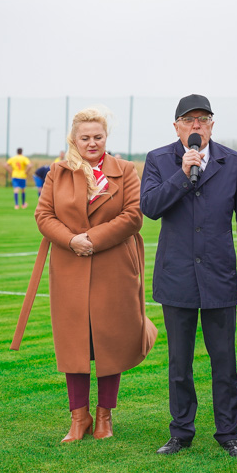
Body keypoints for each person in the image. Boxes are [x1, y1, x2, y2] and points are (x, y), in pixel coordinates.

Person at [141, 94, 237, 460]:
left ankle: (229, 433)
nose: (196, 125)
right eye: (189, 119)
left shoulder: (231, 161)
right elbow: (150, 207)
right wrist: (182, 172)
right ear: (176, 125)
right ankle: (181, 432)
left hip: (219, 274)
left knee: (224, 359)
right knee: (180, 362)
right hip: (176, 274)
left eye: (203, 119)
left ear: (212, 124)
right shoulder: (158, 159)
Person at [31, 108, 154, 442]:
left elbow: (133, 216)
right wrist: (72, 240)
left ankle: (104, 417)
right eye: (85, 137)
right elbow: (44, 215)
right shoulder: (58, 171)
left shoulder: (126, 170)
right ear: (74, 139)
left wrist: (92, 240)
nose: (92, 143)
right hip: (69, 266)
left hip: (114, 267)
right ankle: (78, 417)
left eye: (98, 137)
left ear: (106, 138)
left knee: (110, 341)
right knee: (74, 342)